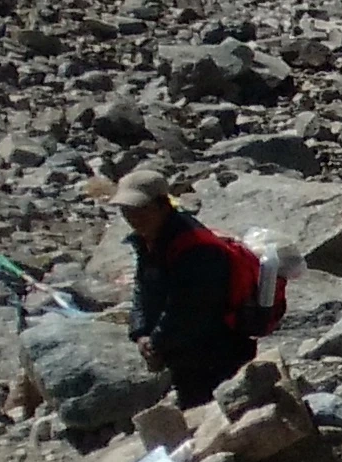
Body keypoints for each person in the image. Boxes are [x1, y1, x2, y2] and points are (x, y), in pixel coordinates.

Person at [110, 171, 267, 406]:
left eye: (140, 209)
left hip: (216, 351)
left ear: (163, 206)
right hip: (182, 351)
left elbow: (188, 309)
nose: (132, 217)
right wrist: (140, 332)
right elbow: (143, 288)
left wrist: (156, 343)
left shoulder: (196, 248)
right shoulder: (149, 239)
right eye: (126, 210)